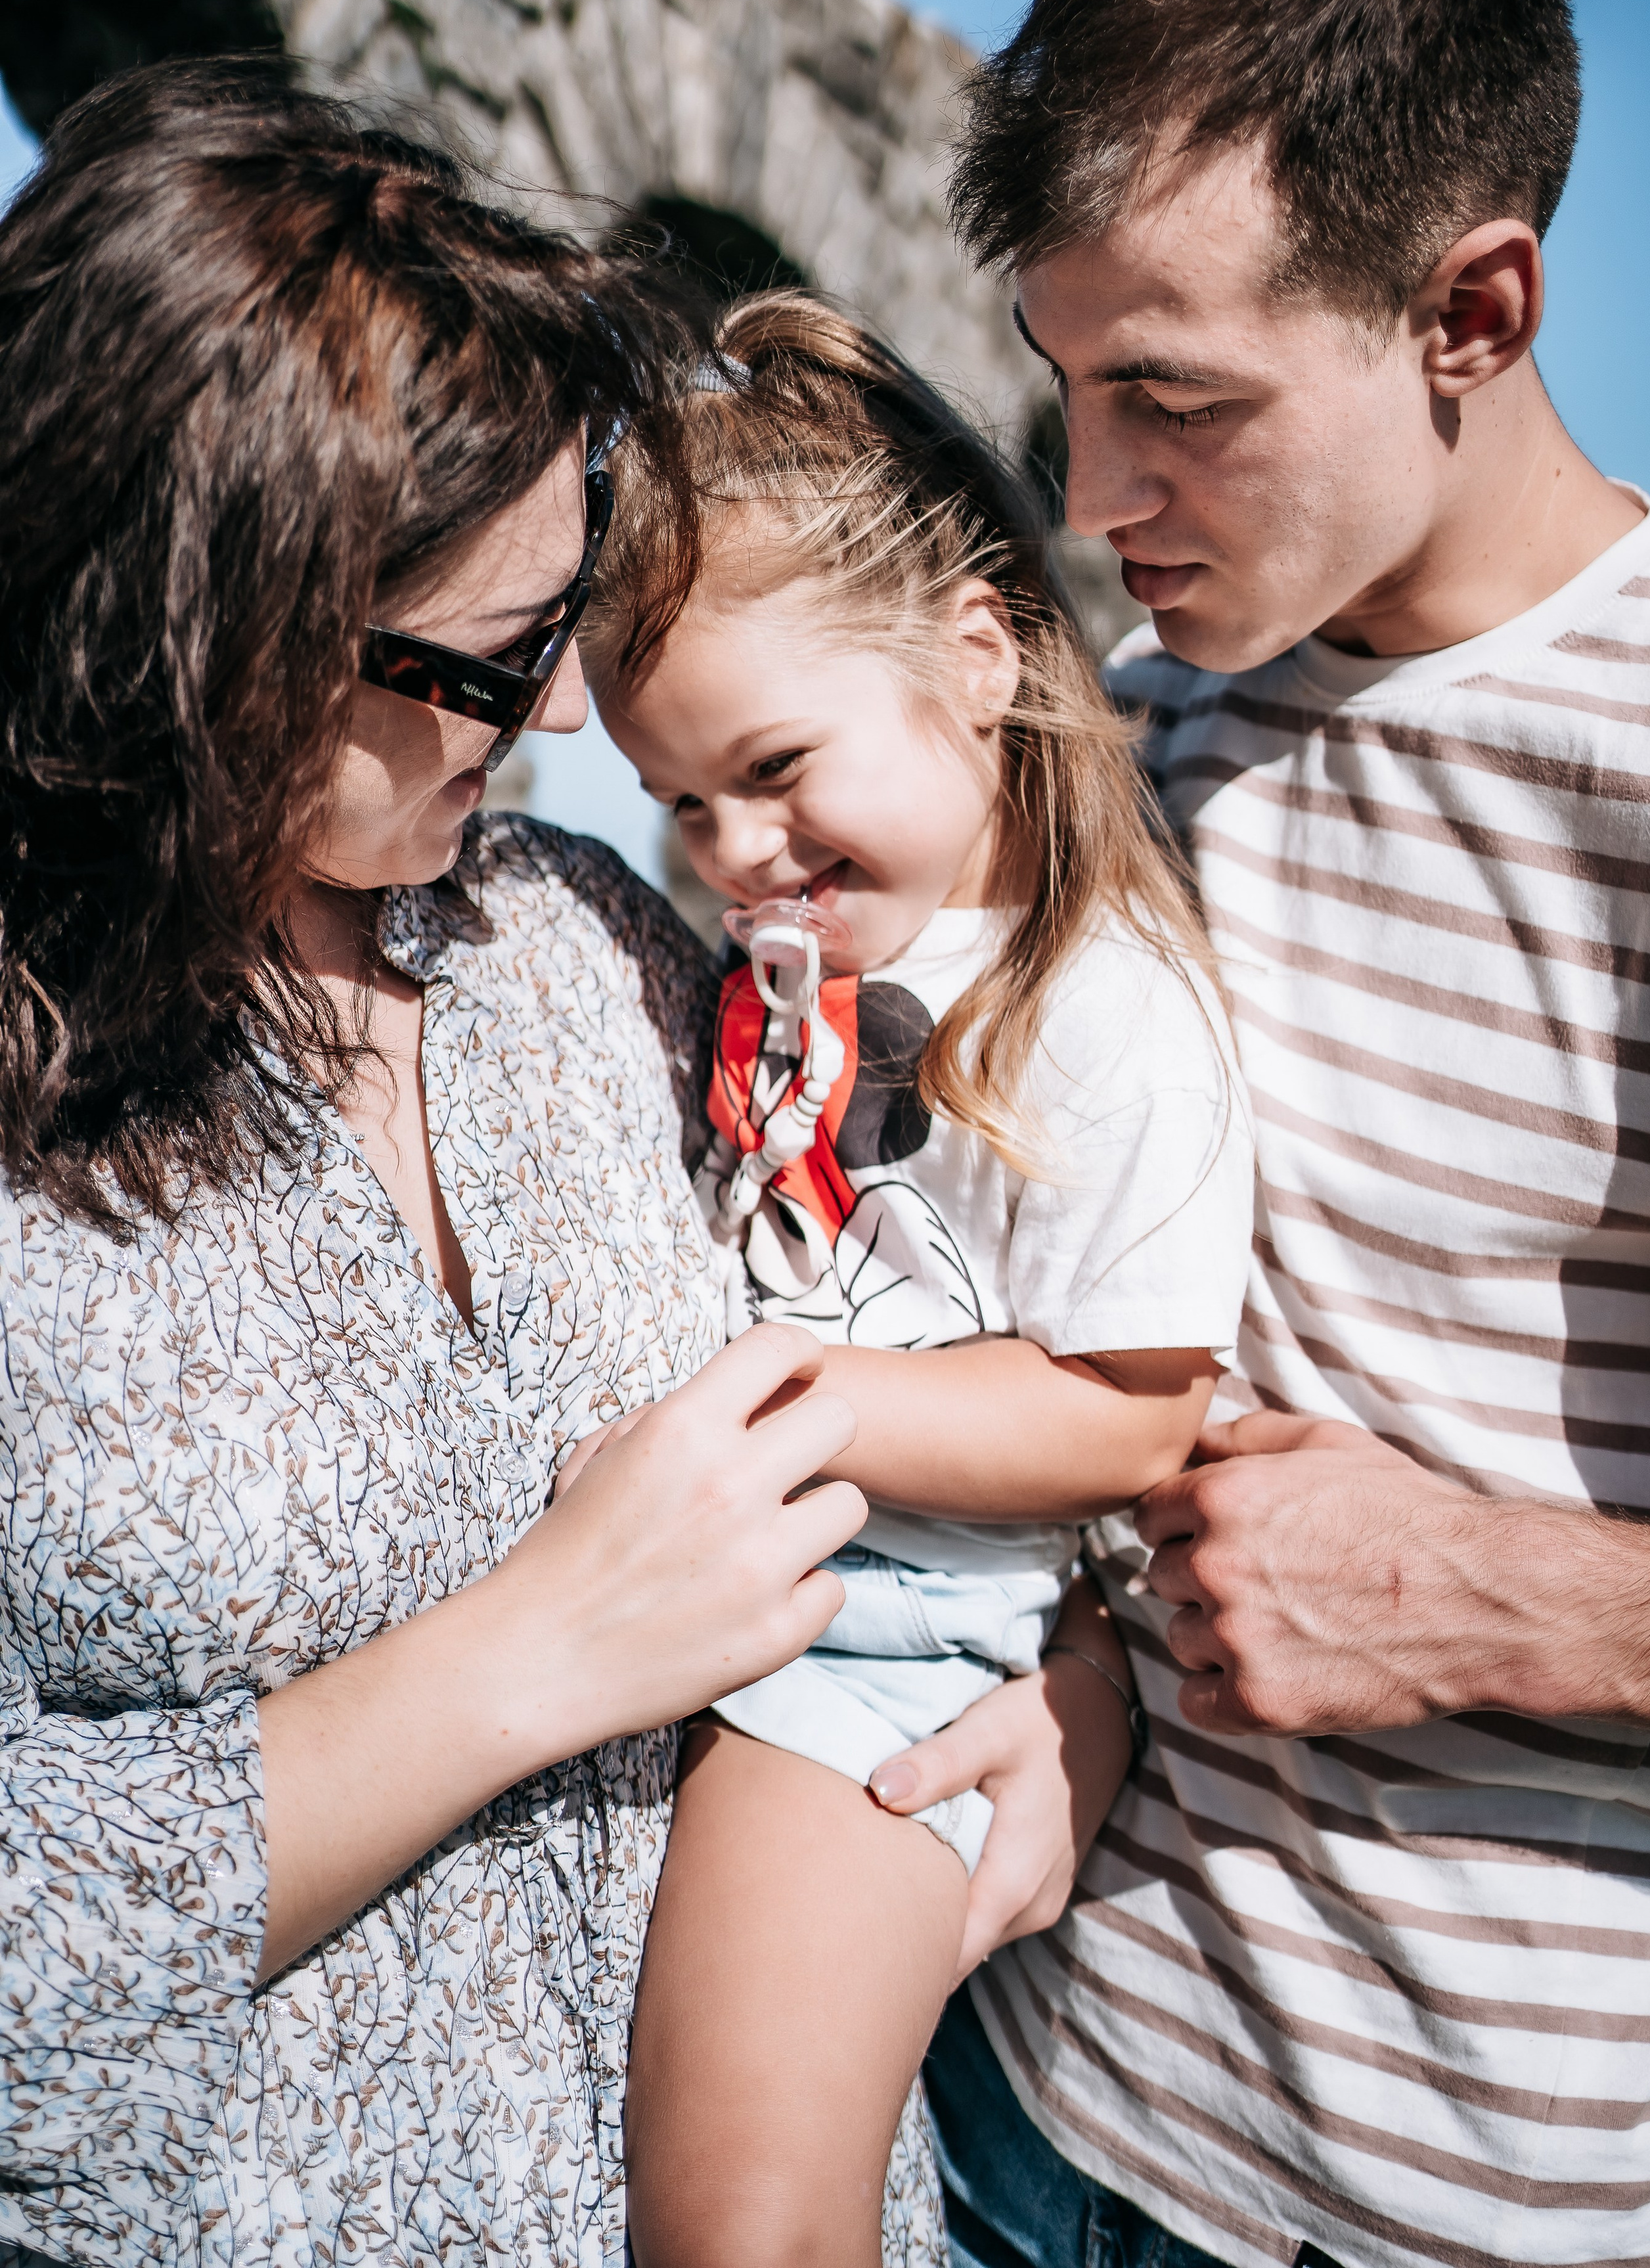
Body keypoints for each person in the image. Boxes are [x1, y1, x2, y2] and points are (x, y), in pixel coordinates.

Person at [0, 58, 964, 2265]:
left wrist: (1049, 1742)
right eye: (496, 651)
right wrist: (526, 1653)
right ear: (206, 634)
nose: (557, 722)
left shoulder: (584, 935)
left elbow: (956, 1332)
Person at [864, 0, 1650, 2268]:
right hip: (1026, 2114)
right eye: (1067, 383)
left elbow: (1383, 1562)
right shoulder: (1137, 727)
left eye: (1181, 400)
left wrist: (1504, 1596)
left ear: (1474, 313)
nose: (1095, 484)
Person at [579, 292, 1255, 2267]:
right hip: (749, 1598)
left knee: (741, 2217)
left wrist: (807, 1405)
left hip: (880, 1658)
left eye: (776, 765)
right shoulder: (805, 973)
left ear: (977, 652)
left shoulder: (1108, 1008)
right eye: (682, 800)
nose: (733, 848)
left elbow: (1142, 1403)